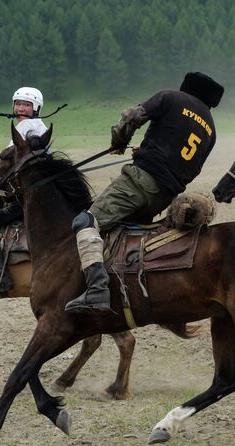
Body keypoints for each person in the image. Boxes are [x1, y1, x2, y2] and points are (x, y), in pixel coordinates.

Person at [64, 72, 224, 313]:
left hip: (138, 183)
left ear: (186, 87)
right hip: (164, 197)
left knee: (86, 221)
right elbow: (192, 167)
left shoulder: (171, 98)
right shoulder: (211, 129)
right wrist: (150, 151)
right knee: (121, 237)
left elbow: (131, 116)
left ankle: (97, 289)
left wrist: (119, 141)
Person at [0, 87, 47, 294]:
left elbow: (11, 160)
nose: (21, 108)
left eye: (26, 105)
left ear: (36, 108)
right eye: (18, 103)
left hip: (23, 196)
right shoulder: (36, 126)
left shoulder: (28, 126)